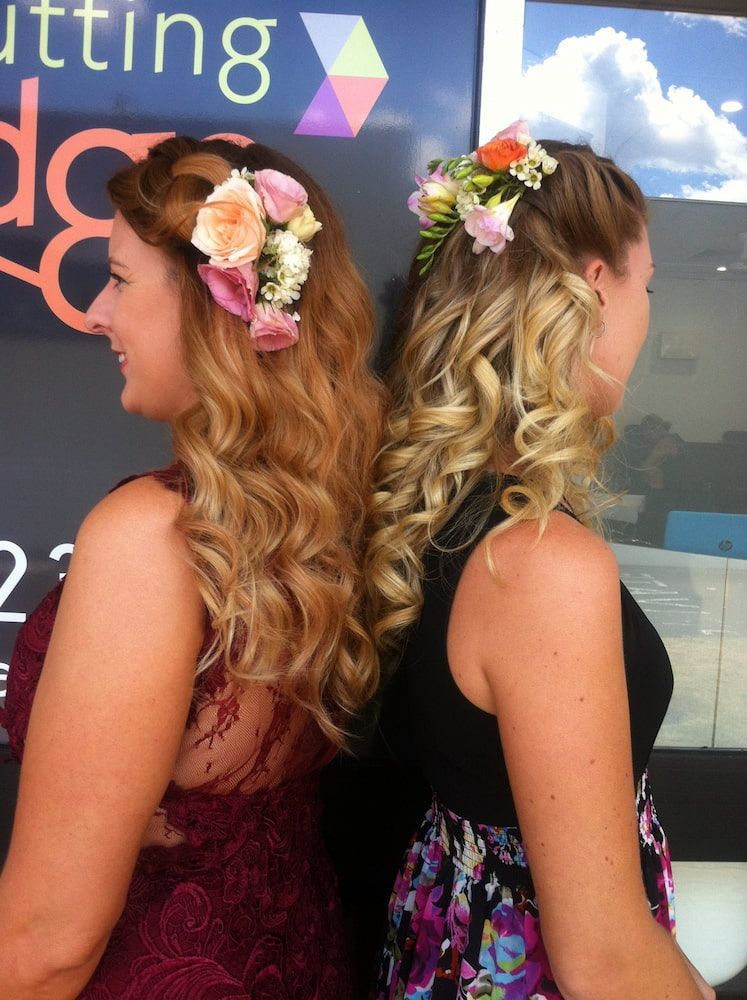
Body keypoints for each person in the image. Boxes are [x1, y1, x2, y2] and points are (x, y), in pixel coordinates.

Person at [0, 135, 383, 998]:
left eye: (121, 280)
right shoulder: (317, 521)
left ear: (214, 306)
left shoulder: (150, 537)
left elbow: (46, 945)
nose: (96, 312)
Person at [365, 123, 714, 999]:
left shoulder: (449, 514)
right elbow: (600, 959)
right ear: (594, 287)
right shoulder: (537, 564)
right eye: (645, 285)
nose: (644, 312)